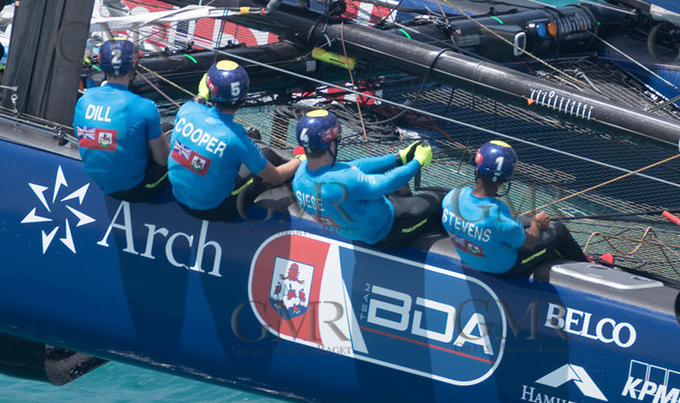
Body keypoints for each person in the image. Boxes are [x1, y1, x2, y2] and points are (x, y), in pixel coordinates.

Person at [292, 109, 441, 249]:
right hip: (389, 231)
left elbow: (353, 167)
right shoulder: (343, 181)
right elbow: (387, 182)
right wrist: (418, 162)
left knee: (402, 186)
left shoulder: (301, 173)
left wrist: (399, 158)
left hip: (360, 224)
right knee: (439, 199)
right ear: (331, 144)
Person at [168, 60, 297, 219]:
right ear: (243, 99)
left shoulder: (187, 109)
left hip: (178, 196)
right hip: (214, 209)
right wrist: (300, 159)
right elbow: (276, 177)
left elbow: (197, 107)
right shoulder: (239, 141)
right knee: (267, 154)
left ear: (210, 90)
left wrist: (201, 95)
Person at [441, 139, 586, 275]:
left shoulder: (452, 197)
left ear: (478, 169)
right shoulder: (499, 217)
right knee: (559, 230)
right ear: (506, 178)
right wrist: (536, 224)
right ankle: (587, 269)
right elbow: (528, 244)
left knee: (521, 223)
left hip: (469, 257)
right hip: (504, 268)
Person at [73, 39, 169, 201]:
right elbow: (163, 159)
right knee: (170, 136)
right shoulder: (146, 107)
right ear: (134, 65)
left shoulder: (84, 100)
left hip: (98, 180)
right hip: (134, 189)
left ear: (101, 64)